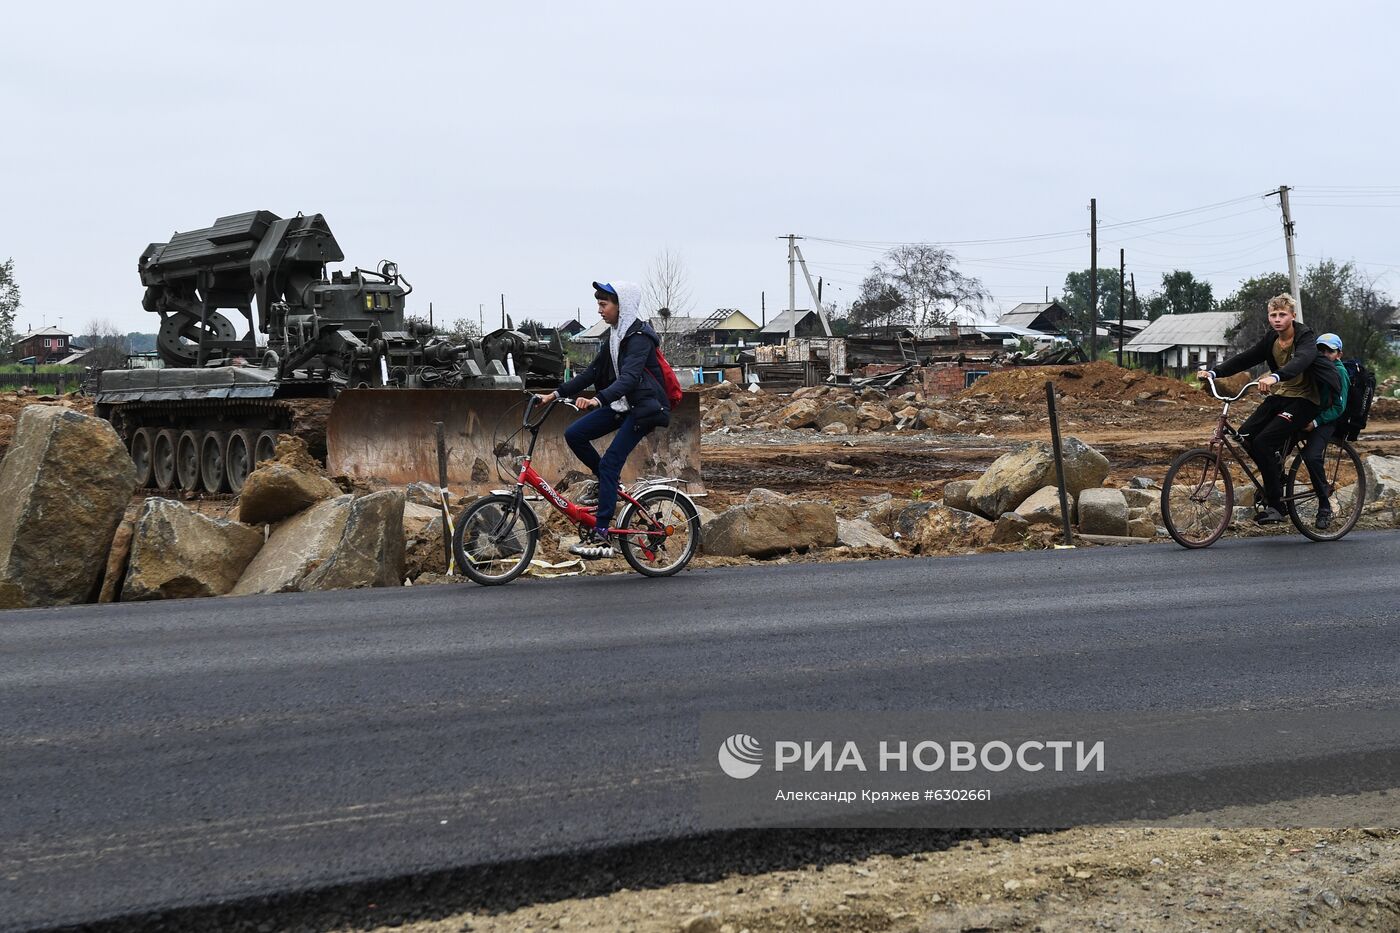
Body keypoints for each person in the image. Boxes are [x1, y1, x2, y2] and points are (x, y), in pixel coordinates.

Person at [536, 281, 671, 558]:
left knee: (610, 463)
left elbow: (630, 378)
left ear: (623, 306)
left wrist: (598, 400)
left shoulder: (639, 338)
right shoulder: (614, 336)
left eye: (604, 304)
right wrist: (553, 394)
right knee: (575, 434)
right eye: (599, 304)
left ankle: (602, 535)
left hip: (644, 410)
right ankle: (610, 484)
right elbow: (591, 374)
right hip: (623, 405)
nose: (599, 310)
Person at [1200, 294, 1341, 524]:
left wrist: (1276, 376)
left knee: (1264, 441)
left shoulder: (1305, 336)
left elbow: (1302, 360)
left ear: (1292, 316)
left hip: (1305, 400)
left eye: (1282, 315)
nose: (1277, 319)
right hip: (1283, 395)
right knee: (1244, 435)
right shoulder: (1271, 340)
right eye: (1273, 315)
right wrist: (1214, 372)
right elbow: (1246, 358)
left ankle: (1276, 506)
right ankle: (1276, 470)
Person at [1298, 333, 1350, 529]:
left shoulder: (1339, 372)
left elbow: (1339, 407)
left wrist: (1316, 422)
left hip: (1328, 419)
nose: (1325, 354)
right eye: (1321, 350)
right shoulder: (1315, 367)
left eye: (1330, 351)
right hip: (1311, 413)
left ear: (1339, 354)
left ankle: (1324, 507)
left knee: (1311, 456)